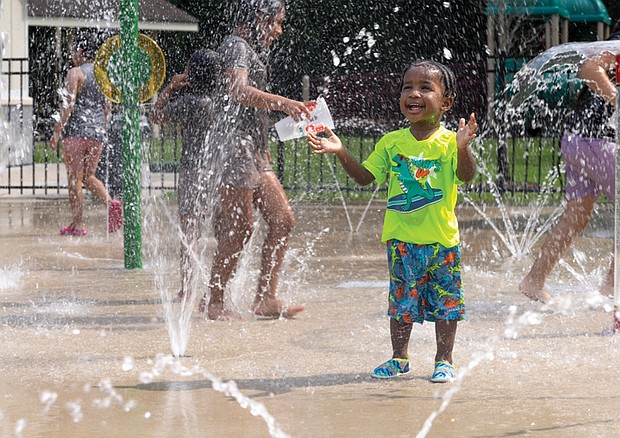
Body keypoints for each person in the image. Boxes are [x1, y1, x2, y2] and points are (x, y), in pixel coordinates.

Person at [307, 60, 478, 382]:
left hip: (442, 240)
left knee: (447, 305)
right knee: (401, 304)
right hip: (401, 240)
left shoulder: (449, 142)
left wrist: (463, 147)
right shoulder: (391, 142)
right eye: (407, 87)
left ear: (446, 103)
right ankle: (400, 358)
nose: (413, 93)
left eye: (425, 88)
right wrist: (341, 151)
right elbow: (363, 178)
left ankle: (444, 360)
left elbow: (465, 176)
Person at [198, 0, 312, 320]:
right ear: (259, 18)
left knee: (282, 219)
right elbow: (238, 90)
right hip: (234, 148)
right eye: (276, 22)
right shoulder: (235, 46)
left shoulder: (249, 48)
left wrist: (285, 117)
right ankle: (215, 301)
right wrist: (284, 103)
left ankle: (265, 299)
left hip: (253, 149)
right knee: (240, 229)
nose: (279, 30)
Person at [519, 29, 620, 302]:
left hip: (579, 140)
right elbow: (589, 68)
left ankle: (534, 280)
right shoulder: (617, 44)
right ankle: (612, 290)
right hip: (600, 141)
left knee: (577, 215)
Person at [150, 49, 223, 305]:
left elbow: (156, 116)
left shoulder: (193, 101)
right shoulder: (223, 101)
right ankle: (217, 292)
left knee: (190, 233)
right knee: (221, 232)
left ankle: (187, 290)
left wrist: (170, 86)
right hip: (220, 171)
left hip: (195, 171)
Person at [50, 29, 122, 236]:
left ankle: (78, 225)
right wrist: (102, 130)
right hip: (96, 134)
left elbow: (68, 104)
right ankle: (111, 203)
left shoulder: (75, 73)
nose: (73, 54)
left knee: (75, 180)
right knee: (89, 176)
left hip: (75, 133)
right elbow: (107, 108)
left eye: (74, 50)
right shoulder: (103, 75)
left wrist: (57, 132)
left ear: (81, 51)